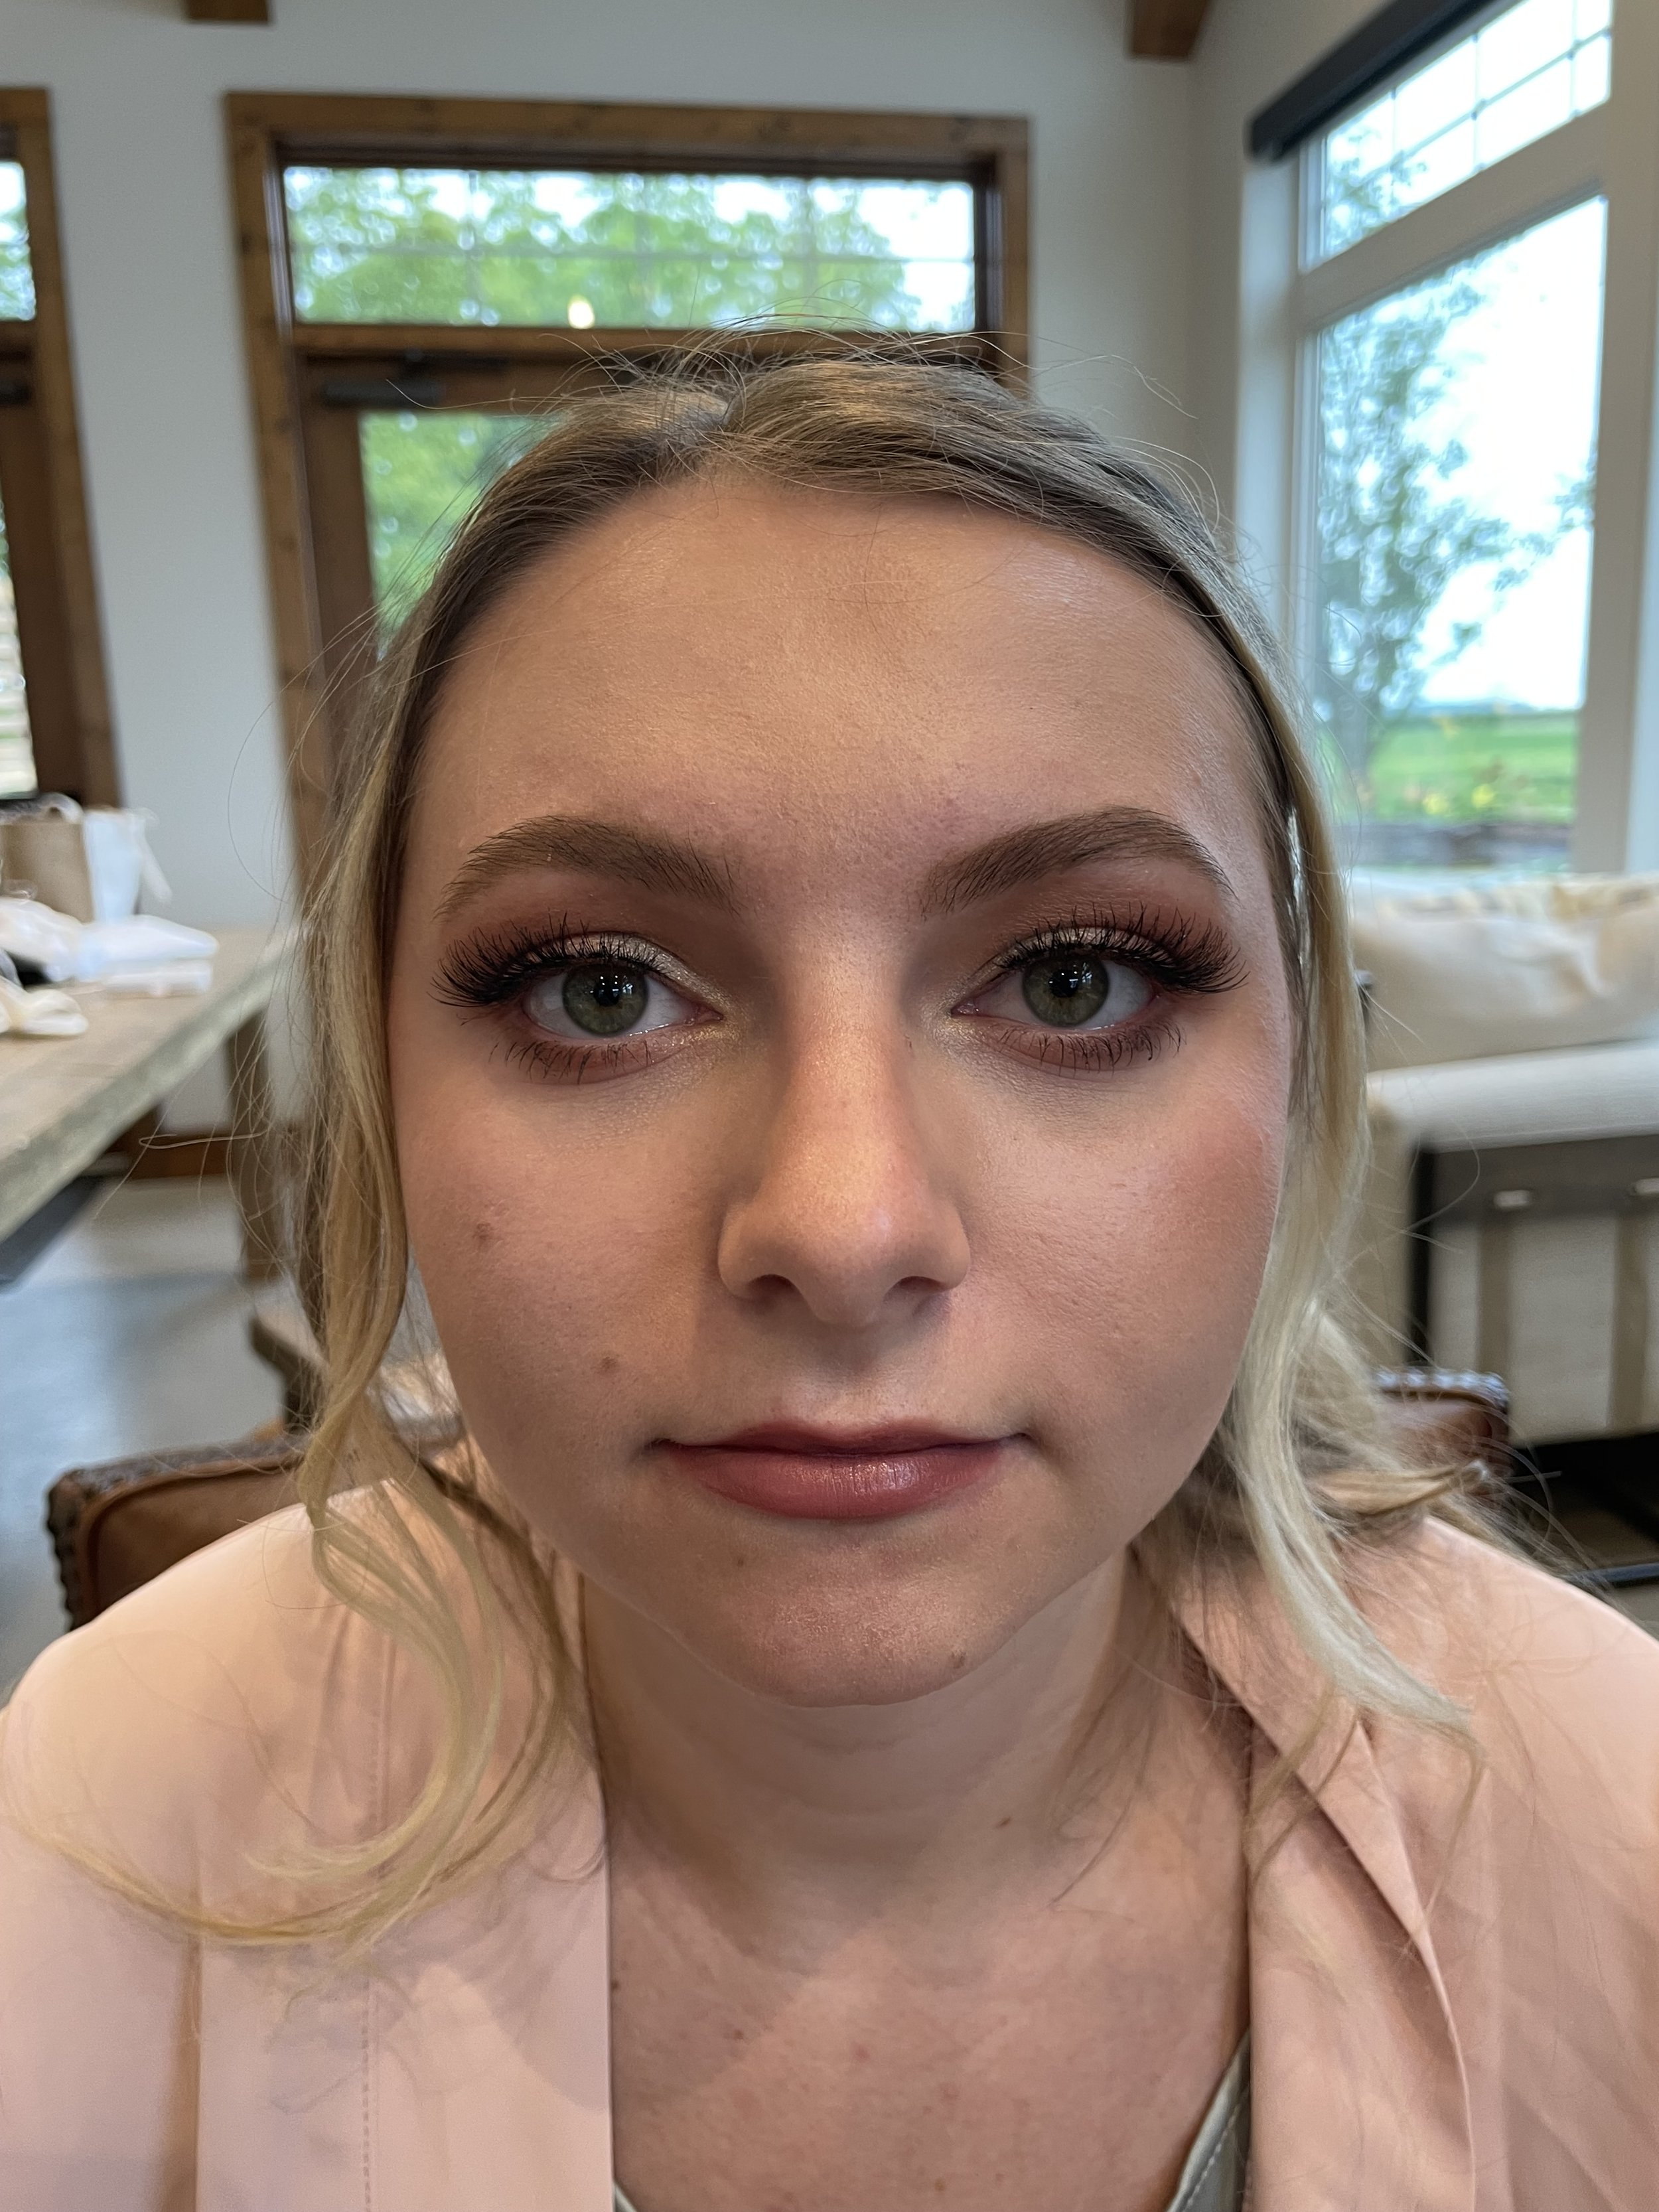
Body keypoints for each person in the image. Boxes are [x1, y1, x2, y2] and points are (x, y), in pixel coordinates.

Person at [1, 358, 1654, 2211]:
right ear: (384, 1076)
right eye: (599, 988)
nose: (846, 1225)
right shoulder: (103, 1799)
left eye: (1069, 980)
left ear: (1291, 1071)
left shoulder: (1614, 1817)